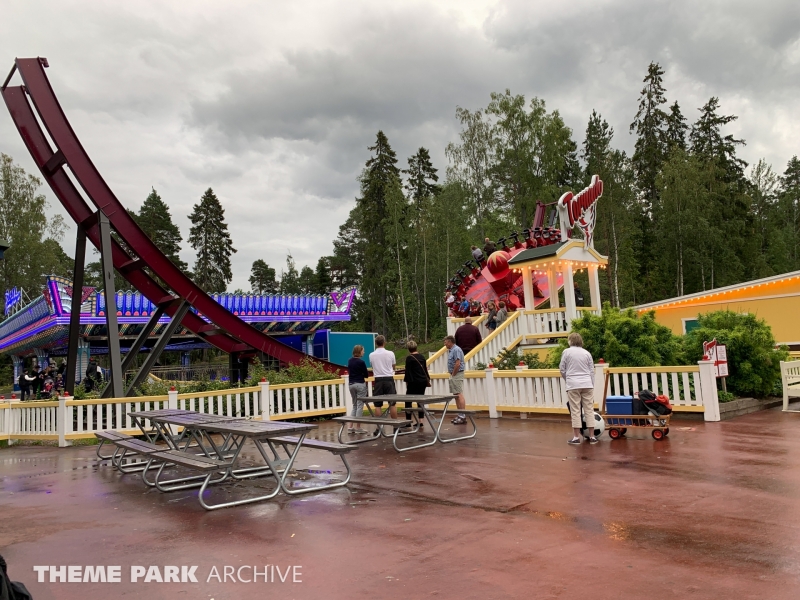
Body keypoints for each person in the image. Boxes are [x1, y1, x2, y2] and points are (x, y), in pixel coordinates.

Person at [559, 332, 597, 445]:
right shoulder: (587, 353)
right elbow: (591, 370)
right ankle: (592, 436)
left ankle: (576, 437)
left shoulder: (566, 352)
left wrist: (568, 379)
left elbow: (562, 369)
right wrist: (591, 383)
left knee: (575, 410)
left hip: (573, 384)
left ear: (570, 341)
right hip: (587, 384)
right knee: (589, 410)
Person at [369, 335, 398, 419]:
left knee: (377, 404)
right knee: (392, 403)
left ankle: (379, 425)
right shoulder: (390, 353)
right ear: (384, 343)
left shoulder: (371, 355)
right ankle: (395, 424)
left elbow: (372, 366)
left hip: (378, 379)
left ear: (376, 343)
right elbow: (393, 366)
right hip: (388, 378)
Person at [403, 340, 429, 426]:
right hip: (422, 381)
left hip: (413, 382)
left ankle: (408, 421)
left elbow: (408, 372)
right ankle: (421, 420)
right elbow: (425, 369)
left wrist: (407, 382)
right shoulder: (422, 357)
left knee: (408, 401)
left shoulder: (409, 358)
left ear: (408, 349)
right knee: (420, 401)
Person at [443, 335, 468, 424]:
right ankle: (460, 414)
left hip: (457, 373)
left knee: (459, 394)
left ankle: (463, 415)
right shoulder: (451, 350)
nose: (445, 344)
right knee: (456, 395)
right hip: (454, 374)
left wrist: (453, 374)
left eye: (445, 342)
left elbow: (458, 363)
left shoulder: (456, 349)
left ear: (450, 342)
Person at [346, 345, 369, 435]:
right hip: (360, 384)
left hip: (351, 384)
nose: (364, 352)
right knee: (360, 406)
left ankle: (350, 426)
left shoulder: (350, 361)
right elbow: (366, 374)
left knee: (355, 405)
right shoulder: (361, 362)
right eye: (363, 351)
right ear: (359, 352)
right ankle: (358, 427)